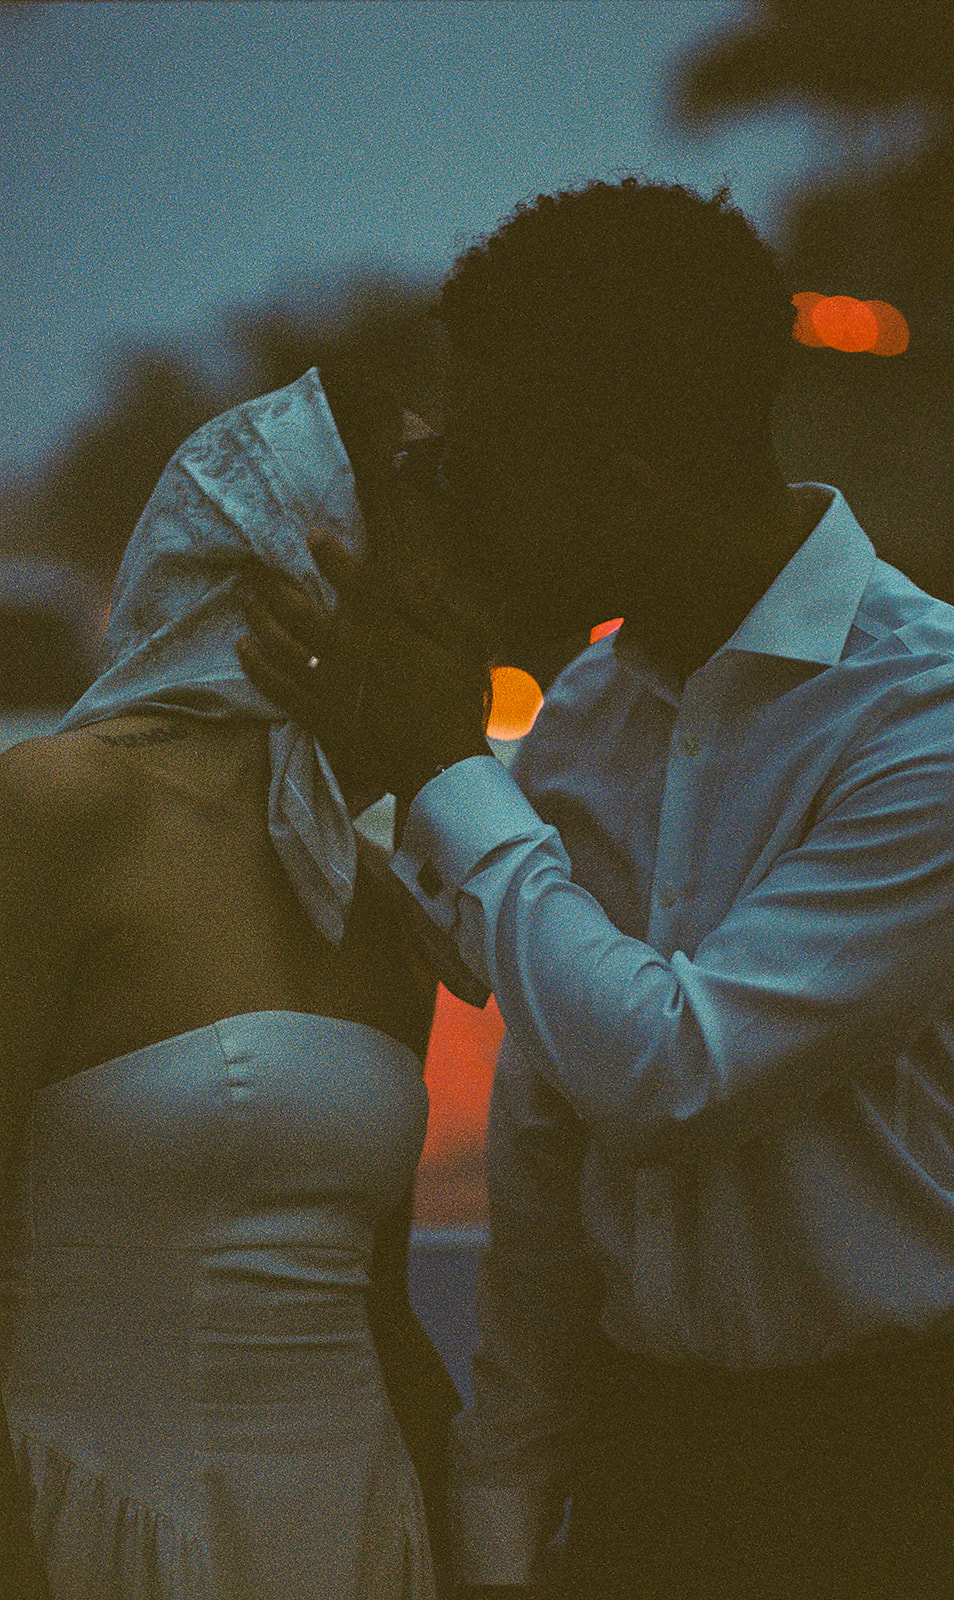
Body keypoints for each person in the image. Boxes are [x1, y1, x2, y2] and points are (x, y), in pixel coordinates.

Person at [237, 177, 954, 1600]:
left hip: (922, 1467)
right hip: (656, 1461)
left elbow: (670, 1074)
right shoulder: (591, 719)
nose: (447, 506)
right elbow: (554, 1127)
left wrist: (442, 763)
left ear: (617, 483)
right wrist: (504, 1493)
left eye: (473, 469)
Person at [0, 365, 469, 1600]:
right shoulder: (62, 807)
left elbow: (381, 1308)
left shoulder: (370, 898)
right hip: (103, 1519)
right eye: (415, 546)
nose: (450, 597)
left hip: (354, 1523)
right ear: (287, 567)